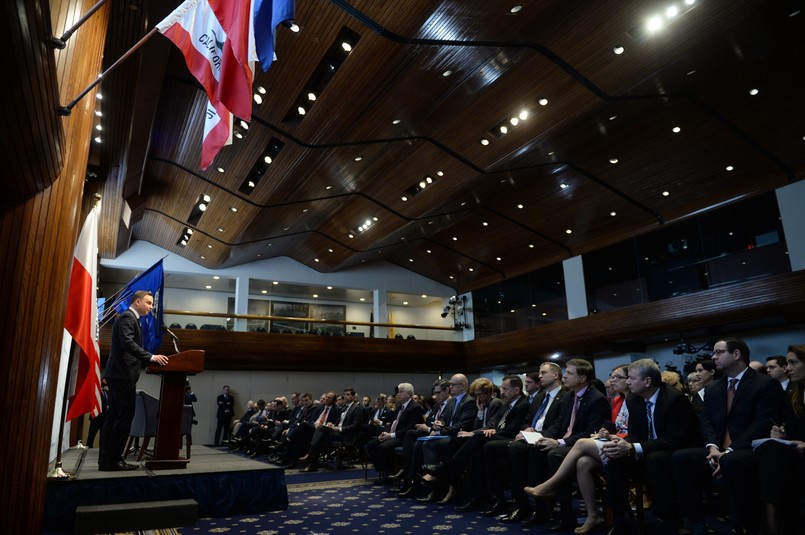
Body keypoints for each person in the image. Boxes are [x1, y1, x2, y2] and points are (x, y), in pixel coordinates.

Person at [672, 337, 784, 535]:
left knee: (732, 461)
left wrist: (730, 450)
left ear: (736, 354)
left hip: (750, 449)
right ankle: (697, 522)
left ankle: (745, 526)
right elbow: (706, 421)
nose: (713, 357)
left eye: (718, 352)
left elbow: (762, 423)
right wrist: (712, 448)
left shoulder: (764, 384)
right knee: (682, 457)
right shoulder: (714, 387)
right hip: (718, 449)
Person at [98, 290, 169, 471]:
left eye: (152, 304)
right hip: (122, 375)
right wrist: (151, 357)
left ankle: (106, 460)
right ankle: (113, 460)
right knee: (123, 417)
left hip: (119, 375)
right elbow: (128, 344)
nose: (151, 307)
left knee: (114, 416)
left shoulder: (129, 318)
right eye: (148, 303)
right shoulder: (127, 318)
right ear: (137, 302)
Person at [757, 344, 805, 534]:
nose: (788, 368)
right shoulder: (794, 394)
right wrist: (782, 433)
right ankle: (775, 525)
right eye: (787, 363)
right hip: (796, 454)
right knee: (770, 449)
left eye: (793, 363)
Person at [86, 379, 109, 448]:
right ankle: (89, 447)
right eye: (104, 379)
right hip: (95, 417)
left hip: (104, 417)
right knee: (91, 435)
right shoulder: (96, 391)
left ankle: (101, 449)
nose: (106, 381)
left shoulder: (107, 392)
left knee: (103, 435)